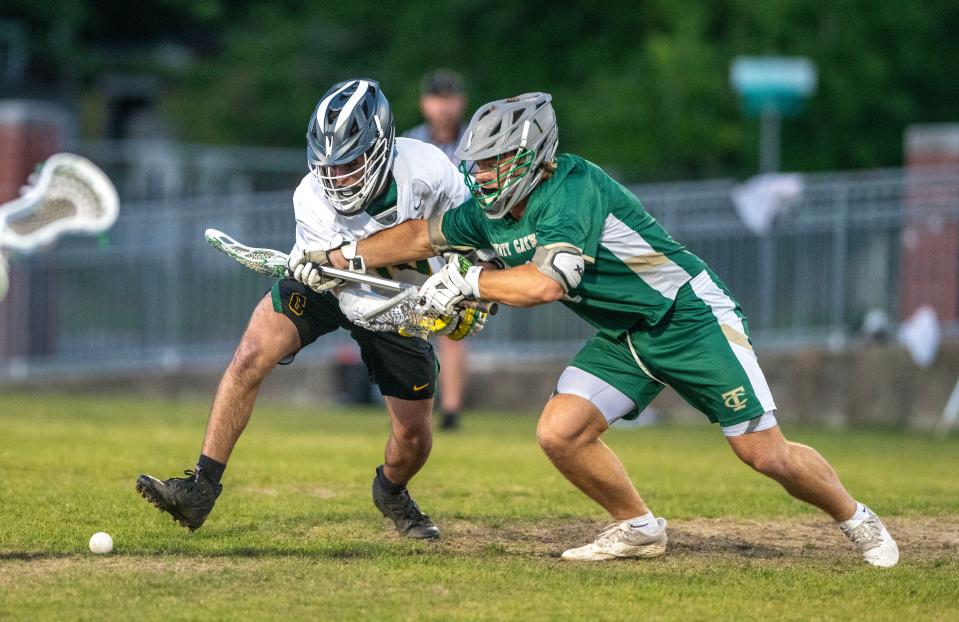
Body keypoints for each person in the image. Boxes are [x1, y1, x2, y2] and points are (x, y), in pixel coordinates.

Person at [303, 92, 900, 566]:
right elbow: (419, 236)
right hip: (627, 333)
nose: (482, 176)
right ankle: (638, 529)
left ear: (534, 153)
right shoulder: (489, 209)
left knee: (763, 453)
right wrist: (338, 256)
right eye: (477, 164)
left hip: (687, 317)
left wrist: (468, 282)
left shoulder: (574, 188)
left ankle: (856, 518)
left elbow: (546, 284)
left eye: (494, 163)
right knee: (561, 432)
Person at [135, 78, 482, 540]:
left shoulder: (428, 168)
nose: (338, 178)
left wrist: (468, 285)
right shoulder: (311, 198)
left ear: (381, 147)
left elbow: (475, 230)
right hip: (329, 286)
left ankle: (392, 490)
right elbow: (350, 299)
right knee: (250, 355)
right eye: (329, 165)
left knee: (414, 437)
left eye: (351, 162)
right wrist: (331, 269)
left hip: (405, 297)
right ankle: (201, 487)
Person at [403, 70, 470, 431]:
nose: (444, 106)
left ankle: (451, 410)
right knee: (409, 325)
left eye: (450, 97)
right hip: (415, 241)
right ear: (424, 103)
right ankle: (413, 403)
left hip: (457, 243)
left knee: (453, 327)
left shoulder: (473, 143)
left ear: (461, 101)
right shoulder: (412, 142)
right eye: (436, 98)